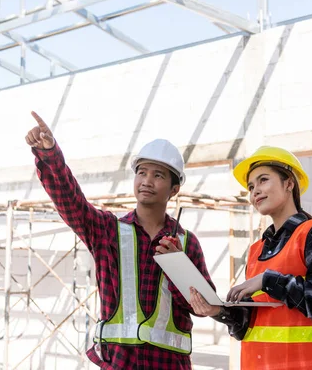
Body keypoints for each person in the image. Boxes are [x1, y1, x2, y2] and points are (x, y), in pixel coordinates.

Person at [25, 111, 215, 369]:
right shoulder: (107, 230)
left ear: (174, 188)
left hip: (169, 365)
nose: (147, 181)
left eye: (158, 175)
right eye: (142, 172)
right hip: (119, 363)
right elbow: (69, 201)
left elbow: (205, 305)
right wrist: (50, 155)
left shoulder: (186, 243)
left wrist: (178, 266)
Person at [189, 146, 312, 370]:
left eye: (263, 180)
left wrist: (267, 280)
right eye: (251, 186)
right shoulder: (257, 250)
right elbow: (248, 326)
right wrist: (218, 311)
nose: (255, 191)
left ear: (289, 183)